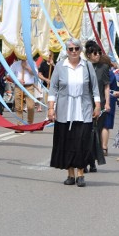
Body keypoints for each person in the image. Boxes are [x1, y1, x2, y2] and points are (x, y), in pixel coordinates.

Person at [48, 38, 101, 187]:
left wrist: (97, 105)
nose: (74, 51)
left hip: (83, 107)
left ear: (81, 50)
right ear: (67, 51)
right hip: (65, 108)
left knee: (82, 141)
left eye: (76, 48)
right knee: (67, 141)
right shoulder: (60, 66)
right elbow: (53, 88)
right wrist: (51, 108)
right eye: (70, 49)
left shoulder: (87, 66)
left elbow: (95, 88)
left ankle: (81, 173)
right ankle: (70, 174)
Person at [84, 42, 111, 169]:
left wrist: (107, 103)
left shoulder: (104, 67)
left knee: (95, 132)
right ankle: (86, 160)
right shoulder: (83, 66)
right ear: (88, 55)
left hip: (99, 104)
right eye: (95, 53)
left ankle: (93, 161)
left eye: (99, 53)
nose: (98, 55)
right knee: (85, 133)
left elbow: (106, 86)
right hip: (85, 103)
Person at [10, 58, 36, 132]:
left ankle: (30, 124)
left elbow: (35, 73)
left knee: (30, 106)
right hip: (18, 86)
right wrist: (17, 80)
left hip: (29, 86)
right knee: (18, 106)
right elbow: (10, 75)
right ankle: (20, 125)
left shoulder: (32, 63)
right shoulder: (15, 64)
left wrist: (26, 67)